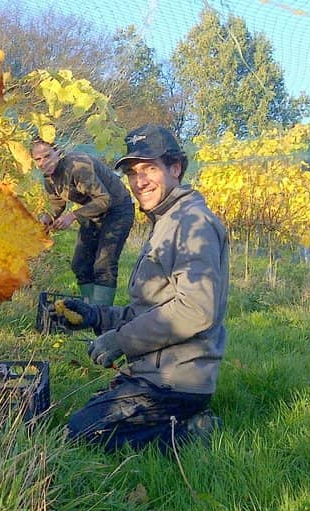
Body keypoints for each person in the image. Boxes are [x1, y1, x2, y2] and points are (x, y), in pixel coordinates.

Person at [54, 125, 229, 451]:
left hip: (177, 380)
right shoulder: (167, 220)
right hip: (155, 371)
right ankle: (170, 419)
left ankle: (192, 430)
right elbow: (148, 311)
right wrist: (95, 317)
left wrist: (119, 341)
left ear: (175, 168)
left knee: (81, 437)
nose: (140, 181)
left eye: (150, 169)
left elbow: (196, 310)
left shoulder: (193, 224)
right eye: (133, 173)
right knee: (87, 418)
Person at [30, 139, 135, 306]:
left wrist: (72, 216)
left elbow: (104, 200)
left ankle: (102, 316)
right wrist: (47, 218)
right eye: (38, 159)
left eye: (47, 156)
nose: (43, 162)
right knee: (80, 264)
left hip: (117, 209)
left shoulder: (78, 166)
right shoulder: (49, 179)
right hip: (92, 211)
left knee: (103, 264)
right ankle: (89, 312)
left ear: (58, 152)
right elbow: (57, 204)